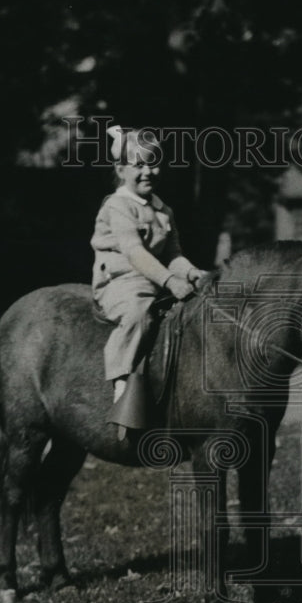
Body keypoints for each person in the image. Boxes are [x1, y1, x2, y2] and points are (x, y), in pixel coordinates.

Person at [91, 126, 206, 431]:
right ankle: (121, 380)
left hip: (153, 279)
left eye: (153, 163)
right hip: (120, 280)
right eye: (138, 165)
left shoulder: (163, 210)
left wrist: (191, 273)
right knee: (138, 313)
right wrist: (170, 281)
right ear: (120, 170)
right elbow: (134, 252)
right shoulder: (117, 205)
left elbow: (173, 254)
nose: (148, 172)